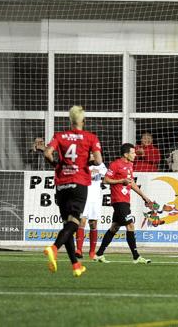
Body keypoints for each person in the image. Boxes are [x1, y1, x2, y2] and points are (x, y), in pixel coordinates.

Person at [43, 106, 102, 277]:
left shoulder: (60, 136)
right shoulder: (90, 137)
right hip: (79, 182)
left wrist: (56, 165)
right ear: (83, 121)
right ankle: (54, 247)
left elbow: (47, 153)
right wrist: (88, 161)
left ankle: (76, 265)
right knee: (74, 222)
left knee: (66, 224)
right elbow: (98, 161)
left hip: (61, 183)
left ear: (70, 121)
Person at [95, 143, 154, 264]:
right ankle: (136, 256)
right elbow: (106, 180)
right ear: (126, 154)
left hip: (125, 200)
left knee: (114, 227)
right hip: (118, 200)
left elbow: (131, 183)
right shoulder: (115, 164)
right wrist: (121, 180)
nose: (135, 155)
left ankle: (99, 254)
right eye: (133, 153)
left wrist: (144, 197)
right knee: (130, 225)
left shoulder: (130, 165)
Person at [75, 154, 107, 260]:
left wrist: (97, 170)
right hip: (83, 197)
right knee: (81, 222)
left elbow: (106, 173)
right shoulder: (81, 165)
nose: (93, 156)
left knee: (93, 224)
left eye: (94, 154)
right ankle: (78, 249)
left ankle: (92, 251)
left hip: (95, 198)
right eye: (91, 154)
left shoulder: (100, 165)